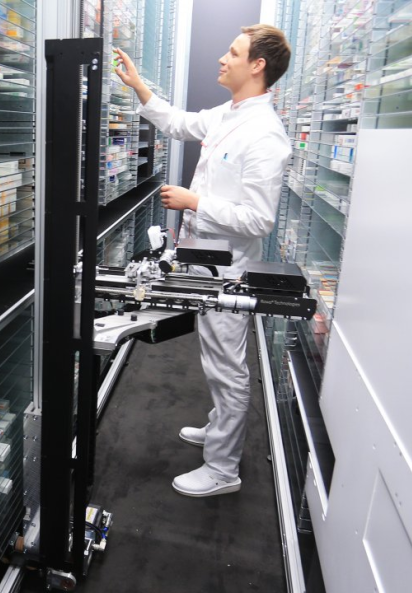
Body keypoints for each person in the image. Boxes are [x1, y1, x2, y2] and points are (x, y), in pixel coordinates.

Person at [114, 24, 292, 497]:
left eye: (233, 53)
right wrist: (138, 85)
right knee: (215, 358)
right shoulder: (228, 114)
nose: (222, 59)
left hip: (228, 270)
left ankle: (223, 469)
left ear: (257, 65)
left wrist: (195, 203)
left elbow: (259, 220)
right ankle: (218, 430)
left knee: (227, 368)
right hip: (205, 260)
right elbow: (178, 123)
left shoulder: (265, 135)